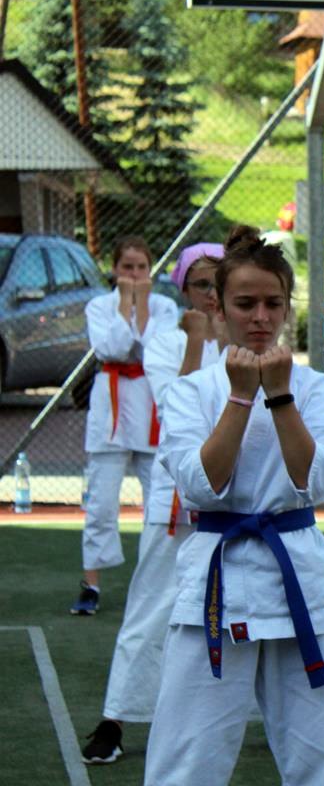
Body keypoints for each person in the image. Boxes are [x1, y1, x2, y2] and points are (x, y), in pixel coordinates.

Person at [143, 227, 324, 786]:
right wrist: (241, 396)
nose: (260, 317)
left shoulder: (315, 389)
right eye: (245, 303)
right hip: (217, 578)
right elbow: (201, 486)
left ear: (287, 307)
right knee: (187, 759)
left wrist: (279, 395)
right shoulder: (192, 392)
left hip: (297, 575)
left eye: (273, 303)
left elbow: (315, 479)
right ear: (218, 305)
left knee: (315, 761)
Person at [80, 243, 227, 765]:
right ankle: (116, 718)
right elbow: (178, 408)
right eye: (201, 285)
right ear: (183, 290)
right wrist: (197, 339)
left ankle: (251, 713)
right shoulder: (167, 343)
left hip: (238, 498)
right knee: (153, 603)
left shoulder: (248, 343)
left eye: (219, 284)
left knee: (246, 608)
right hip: (178, 498)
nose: (211, 295)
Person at [72, 236, 178, 615]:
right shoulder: (99, 306)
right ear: (115, 269)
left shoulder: (165, 307)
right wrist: (124, 304)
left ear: (151, 270)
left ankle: (158, 584)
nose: (134, 274)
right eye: (127, 267)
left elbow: (155, 351)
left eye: (141, 267)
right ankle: (91, 584)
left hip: (150, 404)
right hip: (111, 405)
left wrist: (142, 305)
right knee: (101, 501)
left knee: (159, 499)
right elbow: (112, 349)